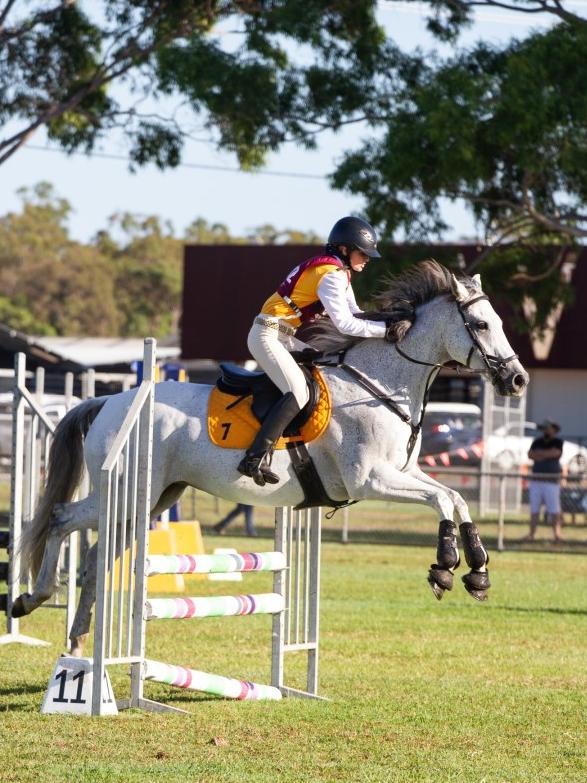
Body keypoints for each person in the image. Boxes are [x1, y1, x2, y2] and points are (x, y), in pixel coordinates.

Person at [238, 216, 388, 486]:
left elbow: (357, 313)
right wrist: (386, 332)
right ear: (344, 250)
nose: (367, 259)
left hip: (283, 337)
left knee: (326, 366)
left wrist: (390, 319)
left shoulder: (339, 273)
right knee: (298, 392)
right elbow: (345, 324)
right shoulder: (330, 275)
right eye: (363, 253)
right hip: (268, 335)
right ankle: (254, 458)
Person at [524, 419, 564, 542]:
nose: (546, 430)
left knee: (554, 510)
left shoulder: (557, 441)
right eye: (545, 428)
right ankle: (531, 534)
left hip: (551, 482)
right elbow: (531, 454)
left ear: (553, 429)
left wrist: (540, 454)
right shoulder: (537, 441)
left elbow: (555, 453)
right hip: (536, 480)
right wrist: (545, 454)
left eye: (548, 428)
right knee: (534, 509)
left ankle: (557, 534)